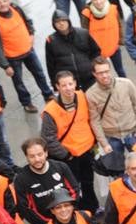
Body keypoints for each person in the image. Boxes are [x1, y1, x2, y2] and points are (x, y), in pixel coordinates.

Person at [0, 0, 54, 112]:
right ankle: (26, 103)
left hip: (28, 50)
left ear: (8, 0)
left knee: (39, 73)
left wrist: (31, 33)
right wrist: (5, 66)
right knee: (19, 82)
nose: (3, 4)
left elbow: (27, 21)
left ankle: (48, 94)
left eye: (4, 1)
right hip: (12, 57)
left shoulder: (16, 8)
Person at [40, 71, 99, 212]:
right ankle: (76, 211)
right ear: (57, 87)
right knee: (72, 187)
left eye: (70, 84)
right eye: (64, 85)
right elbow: (48, 139)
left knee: (88, 182)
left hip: (87, 151)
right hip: (68, 157)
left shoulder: (82, 97)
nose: (68, 88)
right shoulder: (50, 111)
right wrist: (66, 155)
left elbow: (92, 120)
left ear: (75, 84)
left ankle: (92, 207)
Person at [13, 137, 83, 224]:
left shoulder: (61, 167)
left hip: (70, 220)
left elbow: (74, 191)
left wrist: (67, 214)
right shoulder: (21, 180)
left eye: (40, 154)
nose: (37, 159)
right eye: (32, 156)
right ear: (27, 157)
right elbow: (26, 209)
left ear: (46, 153)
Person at [44, 12, 100, 90]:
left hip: (90, 78)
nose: (61, 24)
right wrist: (55, 85)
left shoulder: (83, 33)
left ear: (68, 21)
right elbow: (51, 66)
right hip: (69, 84)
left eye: (63, 20)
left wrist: (94, 68)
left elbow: (96, 52)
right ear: (54, 25)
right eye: (57, 22)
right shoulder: (51, 41)